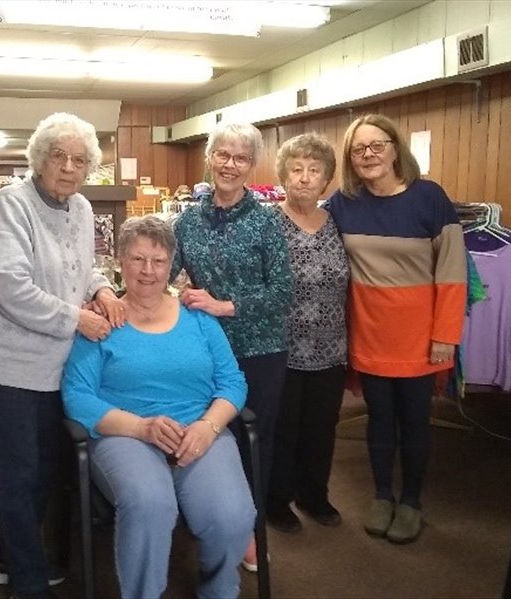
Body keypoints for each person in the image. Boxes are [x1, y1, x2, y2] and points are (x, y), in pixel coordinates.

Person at [0, 112, 126, 599]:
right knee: (19, 472)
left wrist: (102, 289)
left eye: (80, 160)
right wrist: (78, 318)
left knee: (46, 469)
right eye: (59, 156)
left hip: (55, 361)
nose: (69, 168)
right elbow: (10, 288)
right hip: (7, 364)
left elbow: (82, 266)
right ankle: (28, 582)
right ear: (39, 158)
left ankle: (10, 555)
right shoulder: (11, 205)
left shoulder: (77, 206)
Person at [62, 216, 255, 599]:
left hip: (199, 430)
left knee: (232, 515)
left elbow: (233, 382)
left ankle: (218, 588)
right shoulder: (101, 321)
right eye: (137, 259)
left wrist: (209, 427)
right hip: (125, 434)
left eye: (159, 260)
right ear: (119, 262)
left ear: (172, 265)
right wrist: (141, 428)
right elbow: (77, 396)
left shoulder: (199, 317)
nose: (148, 271)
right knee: (150, 504)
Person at [326, 114, 467, 544]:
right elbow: (306, 229)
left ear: (394, 148)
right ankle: (382, 495)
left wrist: (445, 335)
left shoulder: (430, 198)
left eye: (377, 145)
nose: (368, 155)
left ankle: (412, 502)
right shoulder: (343, 202)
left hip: (420, 336)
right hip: (368, 332)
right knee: (380, 420)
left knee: (415, 422)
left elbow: (453, 271)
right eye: (358, 149)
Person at [170, 121, 291, 571]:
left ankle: (249, 532)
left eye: (241, 157)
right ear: (210, 158)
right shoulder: (186, 220)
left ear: (251, 165)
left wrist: (223, 305)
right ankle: (208, 518)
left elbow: (282, 294)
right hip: (205, 351)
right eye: (223, 154)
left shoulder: (267, 222)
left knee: (252, 441)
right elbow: (164, 274)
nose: (230, 164)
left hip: (260, 349)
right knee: (210, 435)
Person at [266, 133, 350, 534]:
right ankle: (277, 500)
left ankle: (313, 495)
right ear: (283, 175)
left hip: (331, 347)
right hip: (281, 347)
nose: (303, 177)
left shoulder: (338, 222)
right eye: (296, 169)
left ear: (326, 180)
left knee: (321, 427)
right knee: (283, 428)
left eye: (313, 170)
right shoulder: (269, 223)